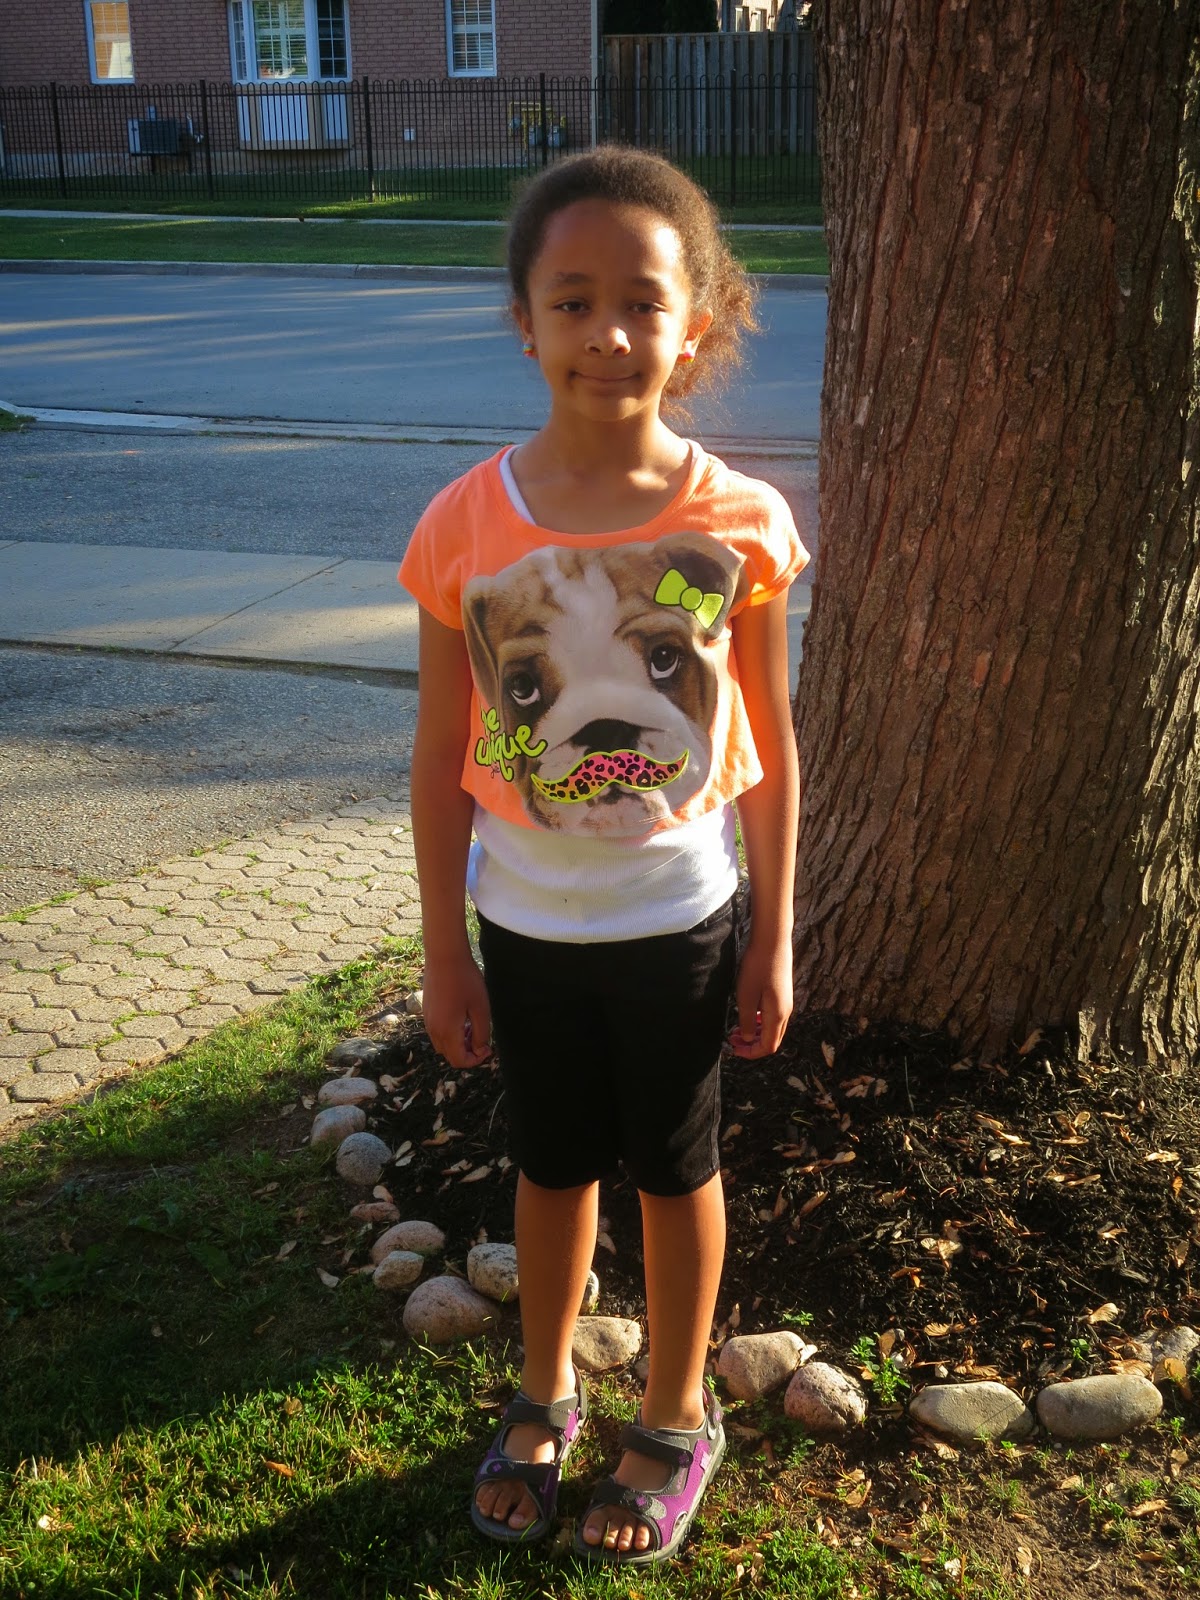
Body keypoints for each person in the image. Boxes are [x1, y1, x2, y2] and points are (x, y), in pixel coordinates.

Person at [399, 145, 807, 1567]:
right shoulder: (465, 525)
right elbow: (440, 759)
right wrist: (445, 948)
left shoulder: (737, 524)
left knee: (676, 1169)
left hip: (681, 918)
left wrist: (775, 932)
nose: (609, 334)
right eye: (573, 302)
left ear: (699, 323)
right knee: (553, 1163)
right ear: (525, 322)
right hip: (524, 923)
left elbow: (770, 744)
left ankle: (677, 1411)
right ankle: (544, 1393)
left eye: (642, 302)